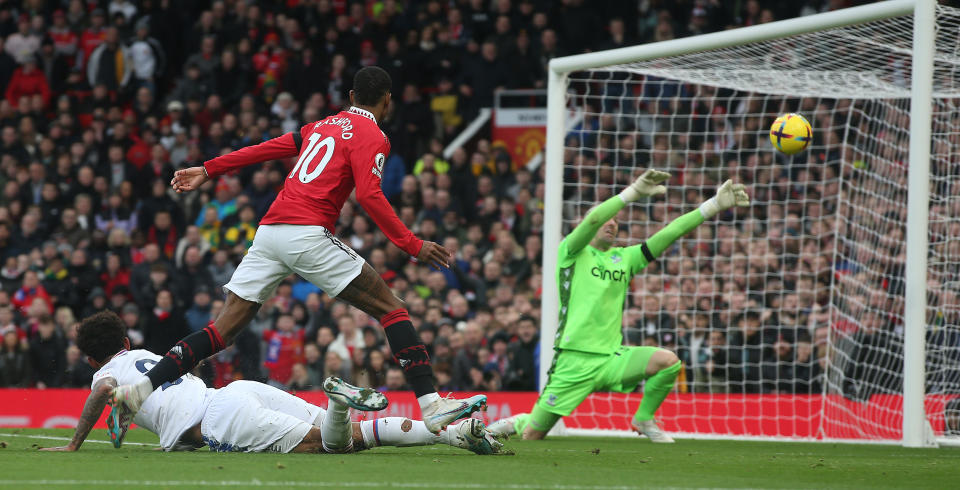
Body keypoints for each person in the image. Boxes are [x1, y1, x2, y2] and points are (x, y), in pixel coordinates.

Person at [111, 66, 484, 433]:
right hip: (307, 233)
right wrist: (412, 244)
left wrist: (209, 169)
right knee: (393, 309)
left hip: (270, 232)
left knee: (222, 330)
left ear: (351, 97)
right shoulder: (374, 135)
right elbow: (369, 195)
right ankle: (432, 404)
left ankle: (140, 389)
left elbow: (266, 149)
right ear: (387, 101)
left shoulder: (321, 126)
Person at [488, 170, 750, 442]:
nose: (612, 223)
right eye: (607, 219)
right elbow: (594, 217)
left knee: (669, 362)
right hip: (574, 360)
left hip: (613, 356)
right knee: (533, 436)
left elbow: (670, 233)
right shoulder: (571, 251)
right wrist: (631, 193)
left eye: (616, 221)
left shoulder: (625, 258)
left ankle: (644, 418)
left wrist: (712, 206)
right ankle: (518, 422)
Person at [42, 311, 501, 455]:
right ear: (125, 340)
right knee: (360, 436)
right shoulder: (144, 357)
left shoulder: (104, 376)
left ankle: (338, 403)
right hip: (233, 392)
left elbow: (105, 393)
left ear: (88, 358)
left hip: (218, 419)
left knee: (337, 445)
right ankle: (461, 435)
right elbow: (187, 371)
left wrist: (74, 444)